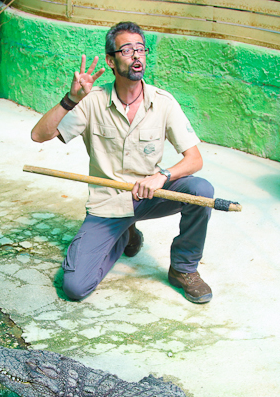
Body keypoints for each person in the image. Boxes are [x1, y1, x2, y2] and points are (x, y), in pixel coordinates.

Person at [31, 21, 214, 304]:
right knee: (75, 287)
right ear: (111, 60)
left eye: (141, 49)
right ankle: (124, 237)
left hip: (150, 195)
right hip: (109, 202)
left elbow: (195, 159)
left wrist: (162, 176)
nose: (136, 56)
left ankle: (183, 270)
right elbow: (38, 135)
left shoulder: (163, 102)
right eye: (127, 50)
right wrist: (70, 99)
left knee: (201, 192)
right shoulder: (92, 100)